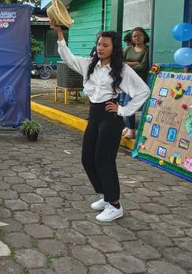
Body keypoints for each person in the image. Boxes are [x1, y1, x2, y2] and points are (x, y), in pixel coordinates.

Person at [49, 19, 149, 221]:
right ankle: (105, 195)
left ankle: (115, 204)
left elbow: (143, 91)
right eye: (99, 44)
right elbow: (68, 58)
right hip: (94, 116)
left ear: (114, 48)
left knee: (104, 160)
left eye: (106, 45)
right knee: (87, 158)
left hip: (110, 118)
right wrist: (59, 33)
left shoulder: (121, 69)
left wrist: (123, 109)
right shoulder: (90, 65)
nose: (100, 48)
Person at [121, 27, 150, 138]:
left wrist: (127, 64)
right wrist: (134, 63)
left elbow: (143, 67)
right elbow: (120, 62)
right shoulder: (128, 49)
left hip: (138, 82)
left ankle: (132, 129)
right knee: (124, 103)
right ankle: (128, 126)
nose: (136, 38)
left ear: (144, 36)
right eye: (134, 36)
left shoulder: (147, 50)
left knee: (129, 104)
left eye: (139, 35)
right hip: (125, 81)